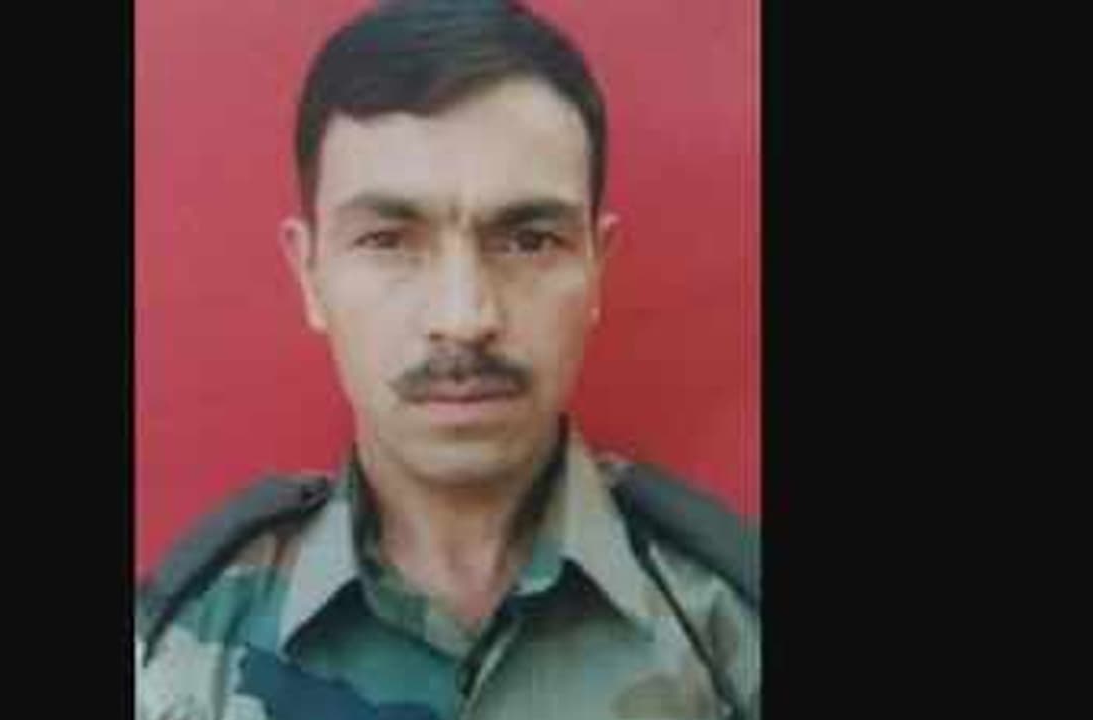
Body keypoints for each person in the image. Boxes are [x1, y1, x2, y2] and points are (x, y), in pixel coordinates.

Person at [135, 1, 760, 718]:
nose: (464, 318)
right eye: (388, 241)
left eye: (528, 240)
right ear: (309, 275)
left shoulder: (735, 632)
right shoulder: (168, 659)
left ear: (596, 268)